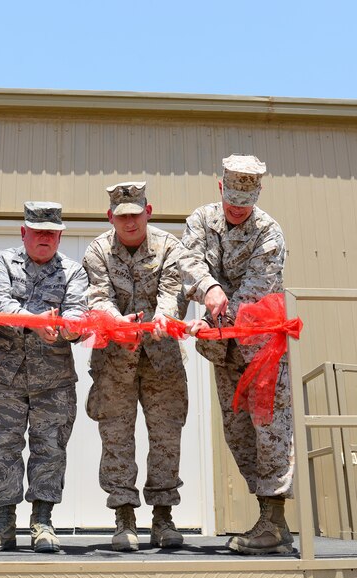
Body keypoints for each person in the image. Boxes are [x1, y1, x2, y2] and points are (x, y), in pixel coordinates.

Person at [181, 154, 295, 555]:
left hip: (261, 348)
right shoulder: (201, 220)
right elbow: (188, 261)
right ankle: (269, 520)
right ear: (220, 188)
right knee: (238, 432)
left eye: (244, 204)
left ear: (257, 195)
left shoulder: (269, 233)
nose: (236, 209)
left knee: (270, 429)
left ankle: (274, 521)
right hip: (223, 350)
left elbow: (253, 295)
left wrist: (211, 317)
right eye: (231, 201)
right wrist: (208, 287)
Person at [0, 202, 88, 553]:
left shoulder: (73, 271)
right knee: (1, 447)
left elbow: (79, 313)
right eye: (38, 232)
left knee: (50, 449)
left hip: (52, 381)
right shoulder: (1, 263)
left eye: (51, 233)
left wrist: (65, 329)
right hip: (3, 378)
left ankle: (42, 521)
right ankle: (3, 523)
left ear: (59, 236)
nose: (45, 238)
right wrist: (38, 322)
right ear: (24, 233)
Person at [82, 181, 188, 552]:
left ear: (149, 211)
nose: (130, 222)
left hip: (162, 359)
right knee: (116, 436)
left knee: (165, 436)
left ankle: (163, 518)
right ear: (111, 217)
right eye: (122, 216)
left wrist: (164, 317)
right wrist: (117, 320)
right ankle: (123, 516)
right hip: (115, 358)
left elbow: (173, 289)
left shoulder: (170, 246)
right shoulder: (97, 250)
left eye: (136, 215)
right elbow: (97, 295)